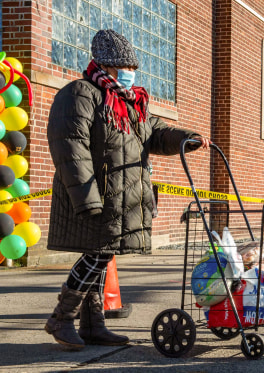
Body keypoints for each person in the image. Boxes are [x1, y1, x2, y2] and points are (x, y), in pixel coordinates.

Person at [44, 30, 211, 350]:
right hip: (97, 193)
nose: (129, 73)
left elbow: (156, 133)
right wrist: (87, 197)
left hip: (122, 195)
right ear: (104, 66)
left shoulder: (129, 102)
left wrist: (186, 138)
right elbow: (69, 147)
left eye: (131, 67)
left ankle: (92, 324)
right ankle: (61, 317)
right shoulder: (80, 93)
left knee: (100, 255)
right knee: (97, 255)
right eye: (122, 67)